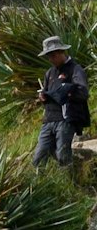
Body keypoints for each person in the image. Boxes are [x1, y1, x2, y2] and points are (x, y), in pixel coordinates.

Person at [35, 35, 89, 168]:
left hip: (66, 119)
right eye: (48, 56)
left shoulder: (75, 69)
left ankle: (70, 184)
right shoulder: (49, 73)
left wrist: (66, 93)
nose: (51, 59)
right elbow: (46, 93)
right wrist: (42, 97)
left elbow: (83, 93)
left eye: (53, 55)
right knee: (39, 157)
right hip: (49, 120)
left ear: (61, 52)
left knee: (63, 156)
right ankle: (38, 185)